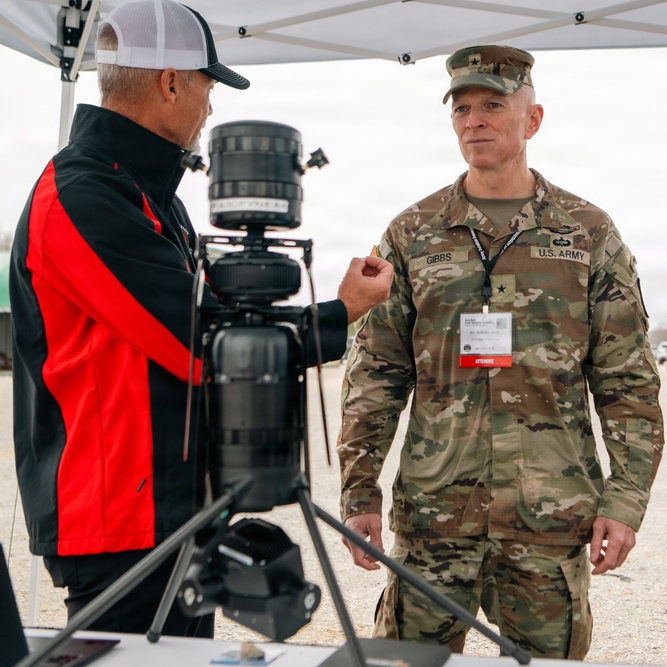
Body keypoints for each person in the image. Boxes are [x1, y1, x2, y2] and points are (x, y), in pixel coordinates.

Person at [9, 0, 392, 637]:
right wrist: (341, 312)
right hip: (119, 526)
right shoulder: (80, 197)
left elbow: (216, 317)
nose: (210, 107)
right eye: (207, 87)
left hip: (172, 511)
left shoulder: (149, 197)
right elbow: (202, 342)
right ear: (169, 83)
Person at [337, 45, 663, 659]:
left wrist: (625, 502)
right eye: (461, 108)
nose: (473, 120)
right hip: (435, 519)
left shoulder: (587, 232)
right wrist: (360, 494)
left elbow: (628, 384)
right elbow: (376, 371)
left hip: (549, 520)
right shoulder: (413, 231)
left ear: (532, 120)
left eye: (492, 105)